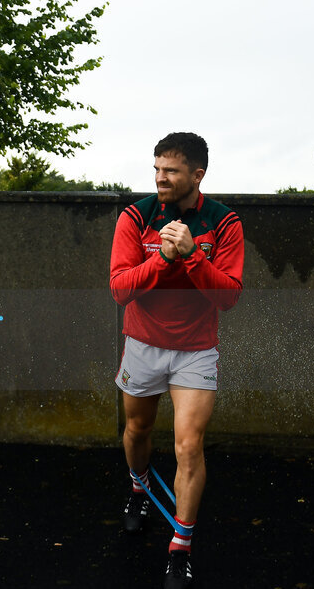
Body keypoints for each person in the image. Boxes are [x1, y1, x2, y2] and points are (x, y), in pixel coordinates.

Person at [108, 132, 244, 589]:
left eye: (171, 171)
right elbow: (121, 289)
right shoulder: (136, 215)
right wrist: (165, 257)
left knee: (189, 446)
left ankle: (179, 549)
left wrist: (192, 257)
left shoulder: (223, 223)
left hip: (196, 350)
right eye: (157, 169)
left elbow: (228, 298)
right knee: (137, 431)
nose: (160, 178)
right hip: (142, 343)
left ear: (197, 175)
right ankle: (138, 487)